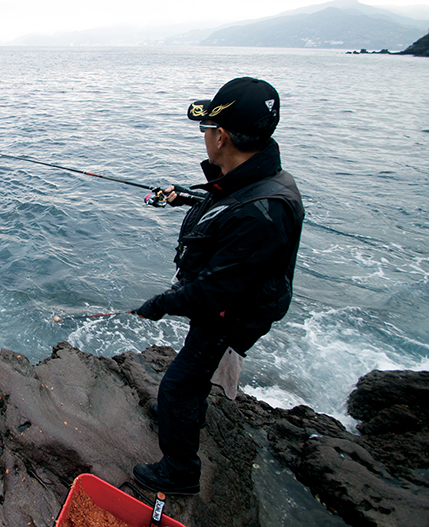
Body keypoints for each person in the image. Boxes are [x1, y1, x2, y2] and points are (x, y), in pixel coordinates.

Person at [130, 77, 304, 496]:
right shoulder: (258, 177)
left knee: (177, 387)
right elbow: (227, 201)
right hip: (233, 302)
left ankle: (180, 472)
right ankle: (184, 411)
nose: (205, 137)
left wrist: (158, 304)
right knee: (191, 376)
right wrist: (184, 198)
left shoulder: (261, 213)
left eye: (207, 129)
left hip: (233, 314)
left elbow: (214, 292)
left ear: (221, 136)